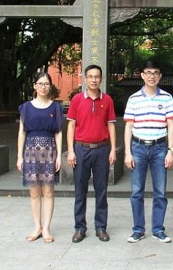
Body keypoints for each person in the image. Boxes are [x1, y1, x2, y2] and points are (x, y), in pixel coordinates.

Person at [123, 60, 173, 243]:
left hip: (159, 148)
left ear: (160, 76)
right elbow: (128, 126)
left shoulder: (167, 98)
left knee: (160, 192)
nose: (151, 76)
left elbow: (171, 125)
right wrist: (128, 152)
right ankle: (138, 230)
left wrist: (170, 150)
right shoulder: (134, 98)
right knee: (136, 191)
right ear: (142, 75)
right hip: (138, 148)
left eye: (155, 72)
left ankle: (158, 230)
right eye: (148, 72)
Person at [66, 64, 117, 243]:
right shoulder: (77, 99)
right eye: (90, 76)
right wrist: (70, 151)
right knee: (80, 190)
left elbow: (111, 125)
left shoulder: (107, 100)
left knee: (101, 190)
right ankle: (80, 228)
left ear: (101, 79)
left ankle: (101, 227)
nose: (94, 79)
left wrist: (113, 149)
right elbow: (71, 125)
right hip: (81, 149)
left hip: (102, 149)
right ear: (85, 78)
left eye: (97, 76)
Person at [16, 71, 63, 244]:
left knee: (48, 191)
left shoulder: (55, 107)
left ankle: (46, 228)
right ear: (34, 86)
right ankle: (37, 227)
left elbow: (58, 132)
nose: (43, 87)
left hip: (49, 151)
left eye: (46, 84)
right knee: (34, 191)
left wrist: (59, 155)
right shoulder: (26, 107)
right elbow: (22, 133)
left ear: (50, 86)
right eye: (40, 84)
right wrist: (19, 156)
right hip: (30, 152)